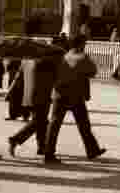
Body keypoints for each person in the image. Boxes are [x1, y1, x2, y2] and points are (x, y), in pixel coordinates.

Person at [43, 35, 106, 163]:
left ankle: (48, 153)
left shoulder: (63, 57)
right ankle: (92, 150)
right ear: (81, 44)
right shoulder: (82, 57)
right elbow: (93, 71)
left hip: (59, 93)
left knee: (54, 124)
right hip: (75, 95)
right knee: (83, 125)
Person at [8, 52, 61, 158]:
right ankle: (15, 139)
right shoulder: (44, 62)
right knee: (38, 121)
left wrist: (11, 90)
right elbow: (54, 77)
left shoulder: (28, 60)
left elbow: (18, 77)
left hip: (31, 95)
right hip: (42, 96)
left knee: (42, 122)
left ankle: (42, 147)